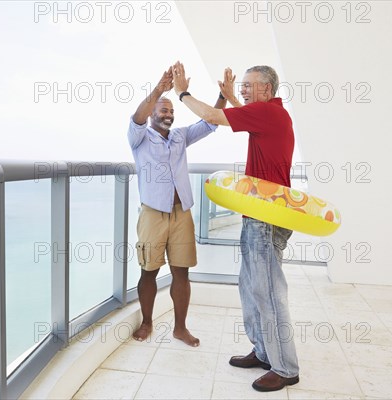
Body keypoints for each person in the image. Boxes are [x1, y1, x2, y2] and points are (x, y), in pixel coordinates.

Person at [172, 61, 299, 391]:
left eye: (248, 85)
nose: (242, 88)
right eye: (241, 85)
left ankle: (285, 368)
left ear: (267, 90)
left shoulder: (269, 113)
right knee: (250, 289)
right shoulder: (268, 115)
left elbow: (213, 117)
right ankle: (263, 350)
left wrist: (182, 92)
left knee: (268, 294)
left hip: (266, 218)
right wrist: (231, 97)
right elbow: (240, 118)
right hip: (258, 215)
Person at [128, 67, 226, 347]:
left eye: (171, 110)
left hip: (182, 214)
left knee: (182, 272)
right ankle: (147, 322)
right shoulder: (140, 137)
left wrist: (223, 95)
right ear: (151, 112)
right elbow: (137, 117)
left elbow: (210, 123)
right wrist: (159, 90)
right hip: (153, 215)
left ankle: (180, 328)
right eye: (163, 109)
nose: (168, 114)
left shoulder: (181, 136)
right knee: (149, 271)